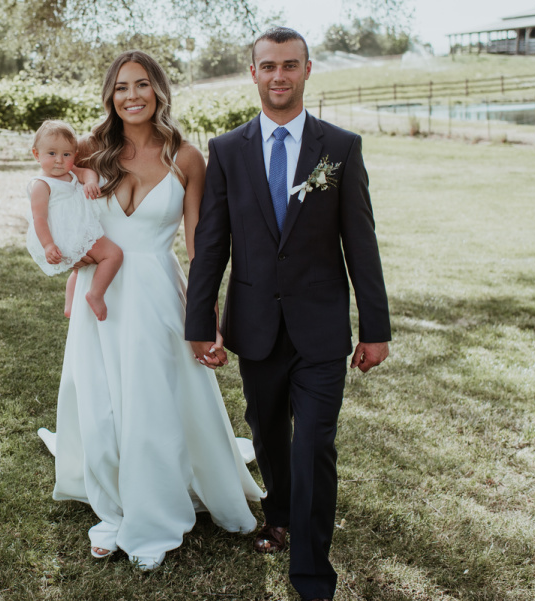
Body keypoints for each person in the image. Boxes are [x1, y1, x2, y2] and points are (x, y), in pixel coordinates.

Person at [185, 27, 392, 601]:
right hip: (256, 325)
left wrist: (375, 329)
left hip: (321, 328)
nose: (280, 75)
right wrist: (200, 323)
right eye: (269, 65)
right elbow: (212, 243)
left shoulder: (340, 147)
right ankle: (278, 514)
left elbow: (361, 244)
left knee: (314, 445)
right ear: (253, 72)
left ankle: (312, 575)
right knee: (269, 433)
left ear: (306, 70)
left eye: (290, 65)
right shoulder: (228, 149)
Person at [42, 50, 263, 571]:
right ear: (110, 96)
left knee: (152, 406)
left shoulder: (186, 157)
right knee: (100, 407)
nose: (132, 95)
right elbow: (50, 197)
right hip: (102, 295)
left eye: (141, 84)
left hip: (159, 294)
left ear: (159, 90)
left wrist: (206, 315)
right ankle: (113, 509)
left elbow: (198, 243)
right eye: (121, 87)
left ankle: (155, 515)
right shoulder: (90, 149)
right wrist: (68, 256)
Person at [26, 120, 123, 321]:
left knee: (79, 271)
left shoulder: (70, 172)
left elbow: (87, 172)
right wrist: (48, 245)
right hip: (68, 234)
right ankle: (95, 294)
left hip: (73, 232)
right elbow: (39, 218)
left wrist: (90, 182)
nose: (59, 160)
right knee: (113, 255)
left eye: (66, 154)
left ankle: (70, 305)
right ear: (36, 154)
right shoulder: (41, 185)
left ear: (75, 155)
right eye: (51, 153)